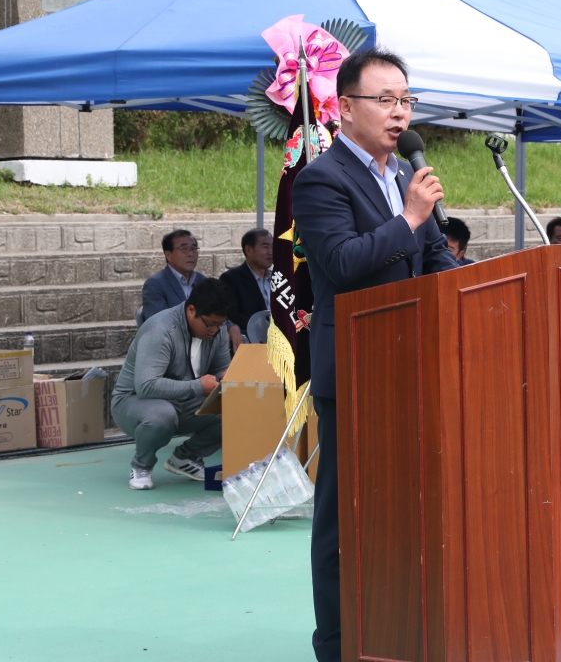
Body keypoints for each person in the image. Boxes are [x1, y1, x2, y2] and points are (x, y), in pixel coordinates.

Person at [292, 47, 458, 662]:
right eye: (384, 100)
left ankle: (395, 626)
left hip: (415, 366)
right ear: (345, 107)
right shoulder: (322, 179)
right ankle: (336, 644)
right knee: (345, 517)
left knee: (406, 508)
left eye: (406, 101)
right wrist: (410, 218)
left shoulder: (405, 177)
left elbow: (437, 260)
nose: (399, 113)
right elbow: (338, 265)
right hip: (359, 370)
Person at [111, 278, 236, 490]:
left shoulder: (217, 330)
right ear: (191, 310)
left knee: (236, 406)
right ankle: (141, 465)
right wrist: (198, 386)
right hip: (133, 402)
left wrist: (226, 377)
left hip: (184, 400)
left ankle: (186, 458)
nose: (215, 330)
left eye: (220, 324)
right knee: (162, 415)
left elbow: (221, 370)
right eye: (210, 324)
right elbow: (147, 386)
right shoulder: (160, 330)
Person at [219, 228, 273, 331]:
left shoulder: (279, 278)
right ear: (248, 250)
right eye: (265, 247)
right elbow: (231, 315)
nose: (270, 252)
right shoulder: (231, 279)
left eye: (273, 247)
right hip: (250, 340)